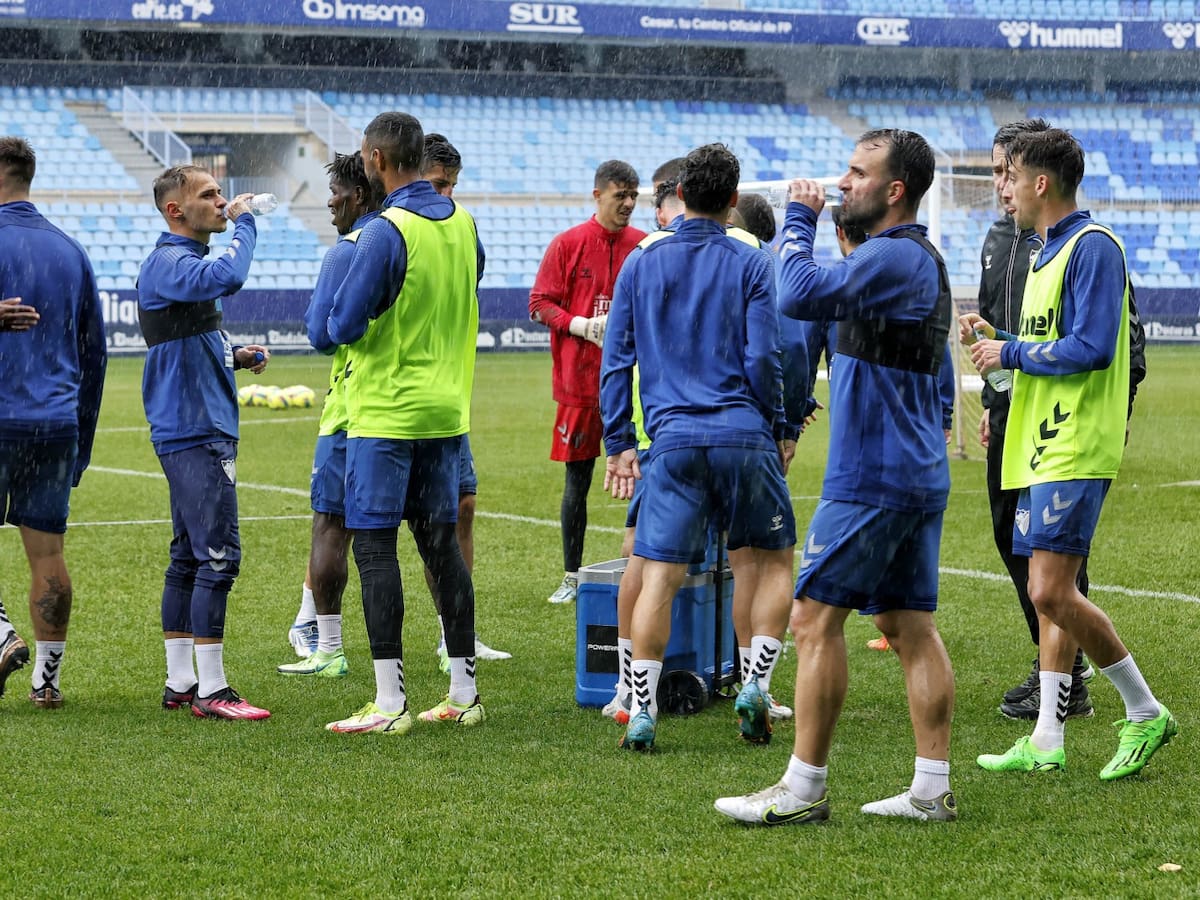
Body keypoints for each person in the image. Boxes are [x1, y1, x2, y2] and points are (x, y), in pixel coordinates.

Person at [716, 129, 958, 824]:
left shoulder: (895, 255)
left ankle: (803, 788)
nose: (842, 182)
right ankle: (931, 789)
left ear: (895, 190)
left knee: (813, 619)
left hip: (874, 477)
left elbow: (796, 293)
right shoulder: (903, 261)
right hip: (907, 471)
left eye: (857, 173)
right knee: (908, 623)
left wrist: (799, 217)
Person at [969, 127, 1176, 781]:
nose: (1001, 188)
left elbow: (1093, 348)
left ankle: (1145, 712)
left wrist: (1010, 352)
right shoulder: (1042, 253)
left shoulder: (1093, 247)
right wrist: (1000, 338)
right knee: (1049, 595)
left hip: (1074, 443)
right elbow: (1045, 342)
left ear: (1040, 183)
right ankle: (1047, 738)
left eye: (1009, 176)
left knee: (1052, 592)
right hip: (1041, 443)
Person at [601, 143, 797, 752]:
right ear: (734, 200)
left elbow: (616, 358)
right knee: (768, 561)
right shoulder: (753, 257)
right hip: (743, 434)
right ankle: (755, 687)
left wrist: (618, 441)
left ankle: (641, 708)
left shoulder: (641, 258)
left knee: (658, 574)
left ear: (679, 195)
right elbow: (766, 355)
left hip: (674, 440)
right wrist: (776, 422)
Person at [321, 111, 484, 734]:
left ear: (376, 159)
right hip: (447, 410)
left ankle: (390, 703)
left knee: (377, 549)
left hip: (387, 411)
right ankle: (463, 693)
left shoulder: (386, 231)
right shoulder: (465, 223)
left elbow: (341, 326)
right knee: (442, 547)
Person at [139, 164, 271, 720]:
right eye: (209, 195)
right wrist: (246, 227)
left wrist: (231, 356)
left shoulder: (176, 264)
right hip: (195, 430)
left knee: (188, 557)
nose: (221, 202)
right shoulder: (172, 260)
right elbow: (227, 278)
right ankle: (213, 691)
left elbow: (187, 336)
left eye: (222, 195)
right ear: (176, 210)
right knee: (219, 557)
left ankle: (180, 682)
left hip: (188, 424)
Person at [0, 136, 106, 709]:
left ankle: (1, 635)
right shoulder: (70, 251)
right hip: (55, 423)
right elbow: (95, 356)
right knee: (47, 553)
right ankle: (48, 682)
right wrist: (81, 438)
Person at [279, 150, 382, 677]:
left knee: (330, 526)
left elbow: (320, 333)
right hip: (412, 409)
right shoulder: (417, 236)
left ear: (360, 194)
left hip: (349, 411)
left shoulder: (350, 249)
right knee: (424, 534)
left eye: (338, 191)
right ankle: (454, 655)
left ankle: (327, 646)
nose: (330, 201)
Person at [530, 160, 646, 605]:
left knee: (643, 478)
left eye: (634, 195)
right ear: (597, 195)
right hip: (579, 385)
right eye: (621, 195)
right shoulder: (568, 244)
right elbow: (538, 303)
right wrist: (580, 325)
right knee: (577, 482)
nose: (629, 204)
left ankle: (640, 569)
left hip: (635, 386)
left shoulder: (644, 245)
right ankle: (573, 575)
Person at [420, 133, 510, 668]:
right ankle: (318, 623)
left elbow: (472, 277)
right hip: (401, 399)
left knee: (462, 508)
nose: (446, 195)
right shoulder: (395, 228)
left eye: (452, 186)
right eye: (437, 184)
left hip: (449, 397)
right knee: (354, 523)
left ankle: (453, 630)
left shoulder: (461, 225)